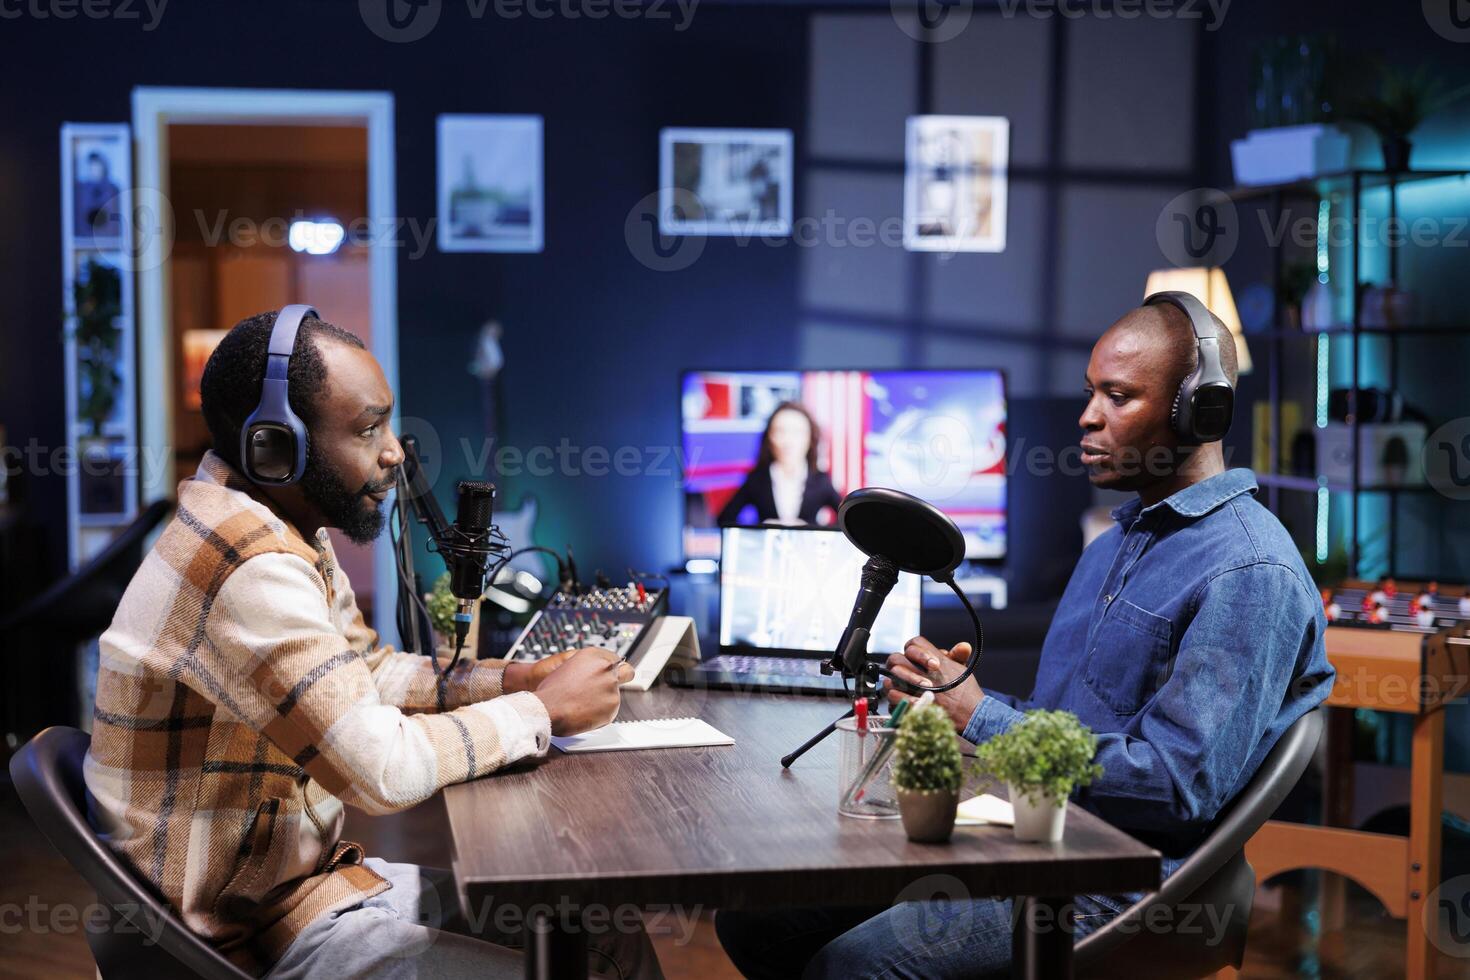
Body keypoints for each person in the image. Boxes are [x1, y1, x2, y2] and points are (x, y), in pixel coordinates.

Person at [716, 300, 1335, 979]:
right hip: (1035, 836)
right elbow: (1060, 727)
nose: (1088, 416)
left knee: (856, 968)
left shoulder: (1251, 573)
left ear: (1200, 412)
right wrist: (954, 702)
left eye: (1118, 396)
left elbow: (1177, 787)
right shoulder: (1114, 545)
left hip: (1123, 878)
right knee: (756, 918)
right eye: (1091, 392)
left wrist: (982, 717)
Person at [83, 310, 662, 979]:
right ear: (275, 446)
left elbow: (369, 671)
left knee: (602, 932)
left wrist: (516, 680)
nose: (395, 452)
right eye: (367, 429)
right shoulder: (248, 567)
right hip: (241, 942)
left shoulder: (279, 526)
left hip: (300, 895)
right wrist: (544, 713)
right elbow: (380, 771)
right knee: (574, 964)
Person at [716, 401, 842, 526]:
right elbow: (725, 518)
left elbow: (846, 517)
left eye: (797, 432)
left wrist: (814, 532)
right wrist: (760, 530)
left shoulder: (820, 479)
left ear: (810, 438)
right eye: (780, 431)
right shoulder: (757, 479)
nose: (788, 441)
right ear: (769, 437)